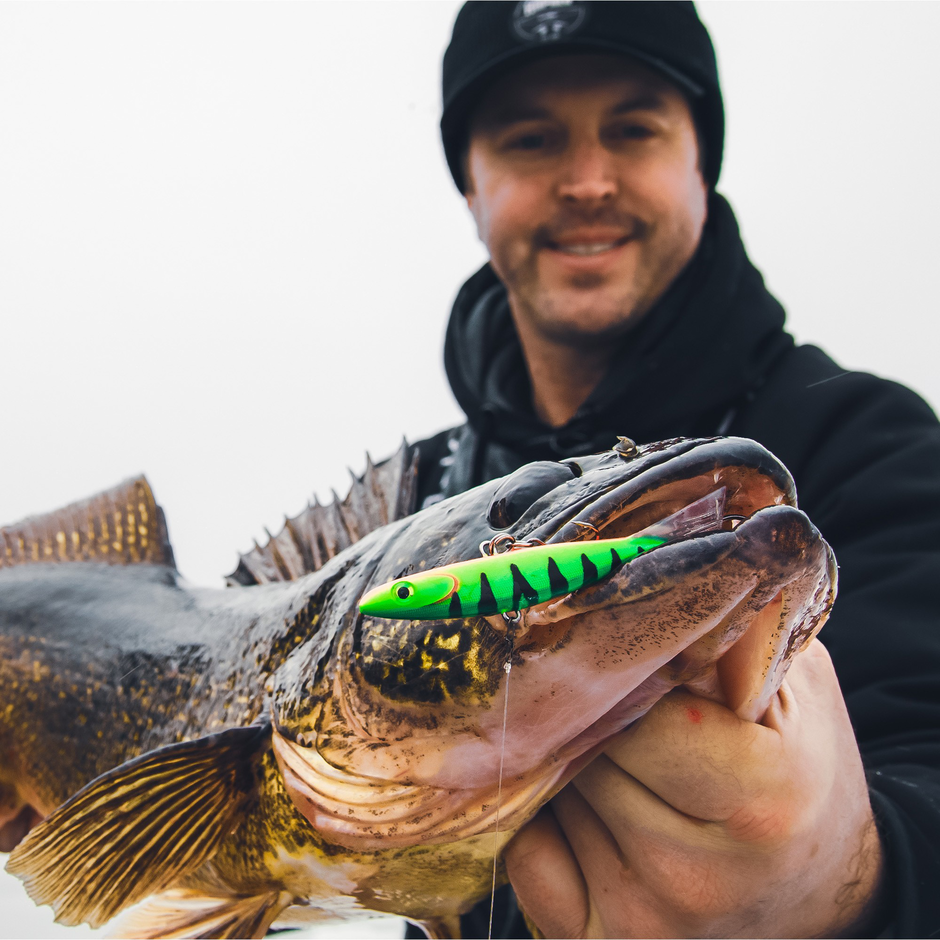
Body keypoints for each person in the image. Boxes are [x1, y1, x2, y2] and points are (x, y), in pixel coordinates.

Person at [401, 2, 940, 938]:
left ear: (701, 161)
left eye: (633, 128)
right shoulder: (414, 497)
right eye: (531, 140)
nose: (587, 181)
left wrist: (848, 879)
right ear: (471, 187)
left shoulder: (866, 441)